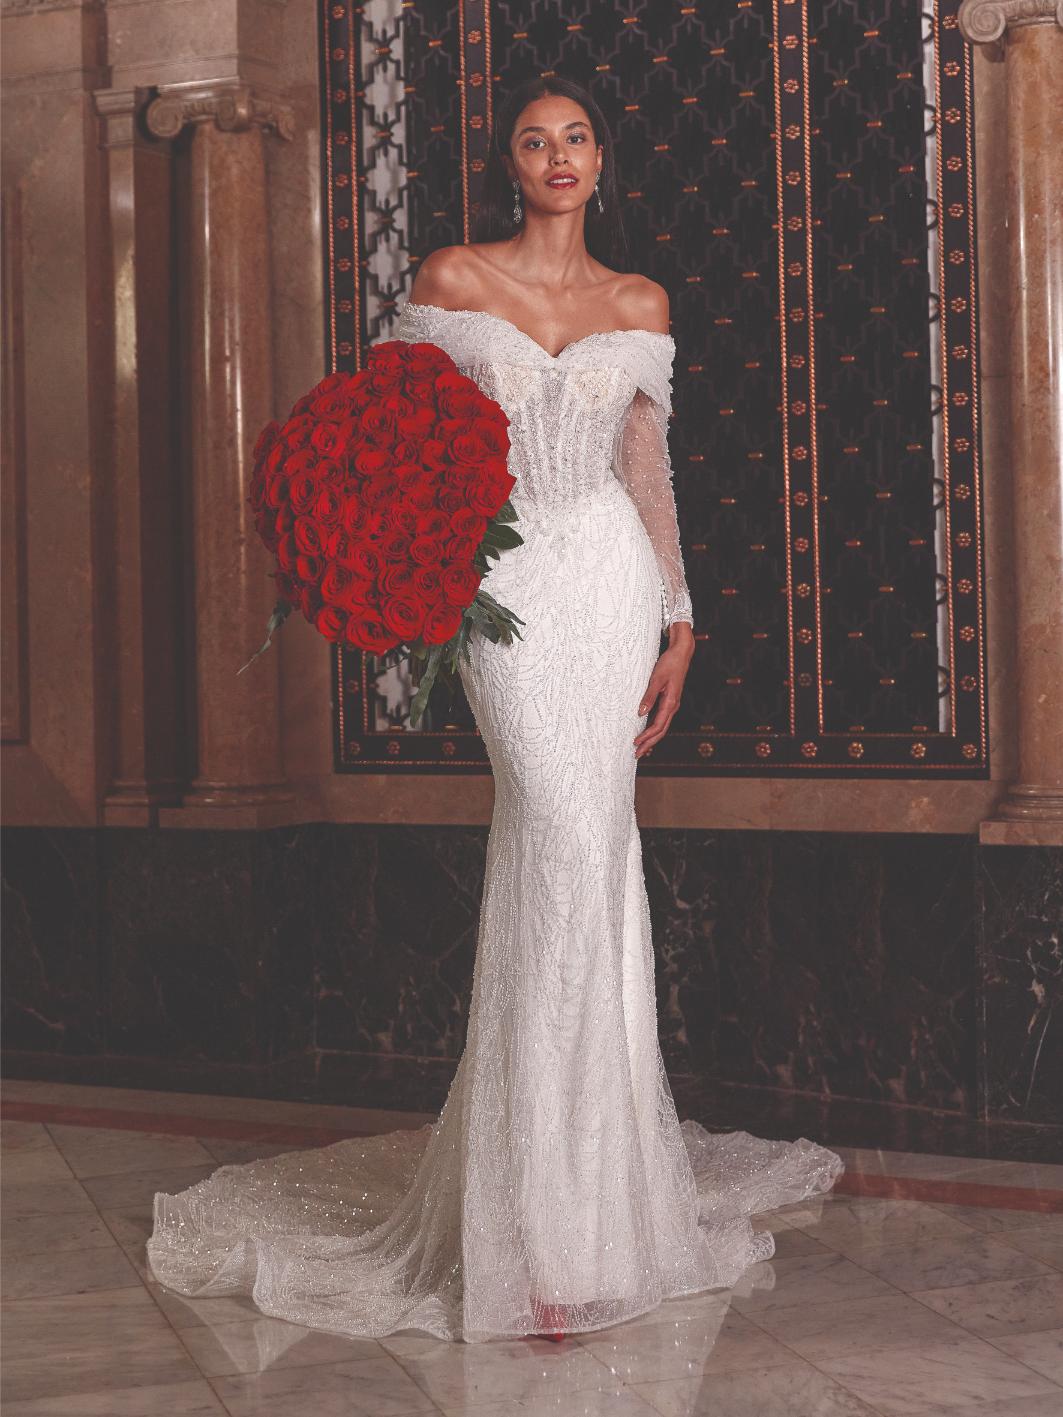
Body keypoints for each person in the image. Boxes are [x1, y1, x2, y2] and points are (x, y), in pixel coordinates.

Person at [146, 76, 844, 1346]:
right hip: (506, 589)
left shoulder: (639, 303)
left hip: (611, 582)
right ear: (508, 164)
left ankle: (581, 1228)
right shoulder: (455, 279)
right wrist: (397, 566)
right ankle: (530, 1233)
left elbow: (645, 468)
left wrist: (681, 619)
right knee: (562, 838)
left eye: (576, 137)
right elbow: (389, 437)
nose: (557, 155)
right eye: (534, 140)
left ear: (601, 160)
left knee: (590, 857)